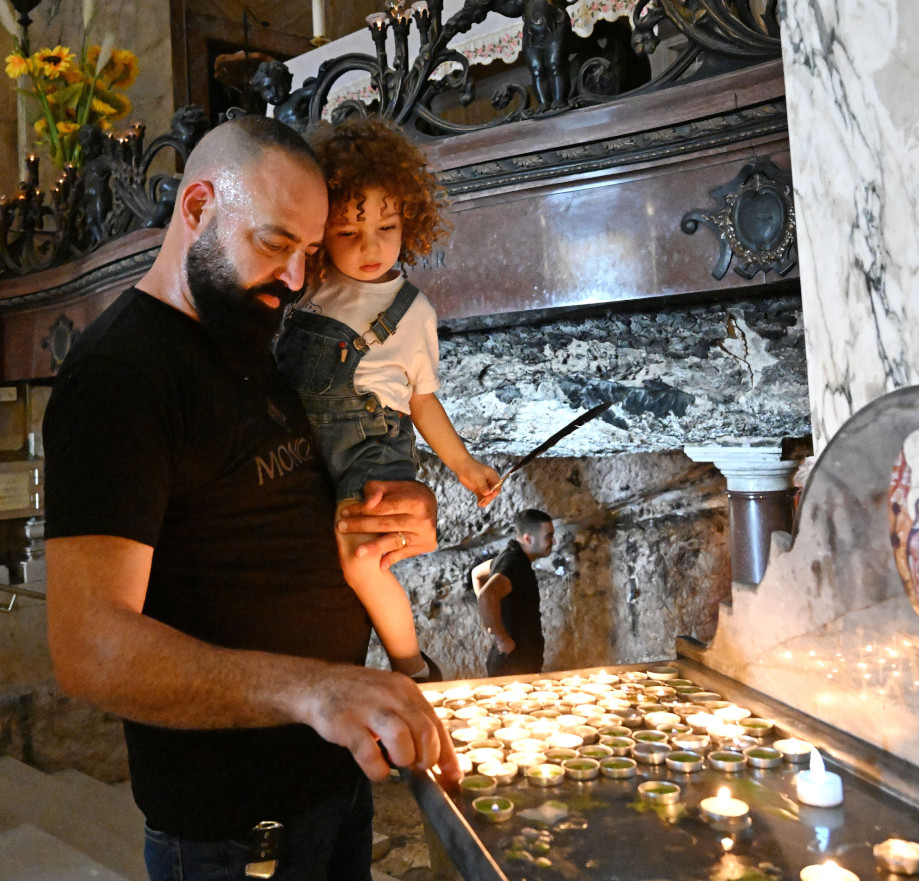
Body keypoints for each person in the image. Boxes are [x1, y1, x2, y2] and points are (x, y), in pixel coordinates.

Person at [43, 114, 461, 881]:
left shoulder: (253, 335)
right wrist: (315, 689)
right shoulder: (118, 377)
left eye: (310, 253)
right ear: (198, 207)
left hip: (328, 786)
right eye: (276, 245)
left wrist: (401, 502)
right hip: (235, 832)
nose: (298, 280)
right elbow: (89, 649)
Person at [274, 116, 500, 682]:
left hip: (372, 450)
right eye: (349, 232)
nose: (371, 247)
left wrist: (464, 464)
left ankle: (410, 668)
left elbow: (422, 403)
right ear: (320, 228)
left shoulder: (412, 311)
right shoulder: (306, 288)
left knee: (362, 559)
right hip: (303, 447)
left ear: (411, 222)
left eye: (388, 227)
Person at [476, 508, 555, 677]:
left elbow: (476, 573)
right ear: (528, 538)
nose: (553, 542)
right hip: (513, 664)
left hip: (514, 661)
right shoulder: (515, 564)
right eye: (548, 536)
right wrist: (500, 637)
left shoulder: (508, 557)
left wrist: (492, 620)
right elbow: (486, 596)